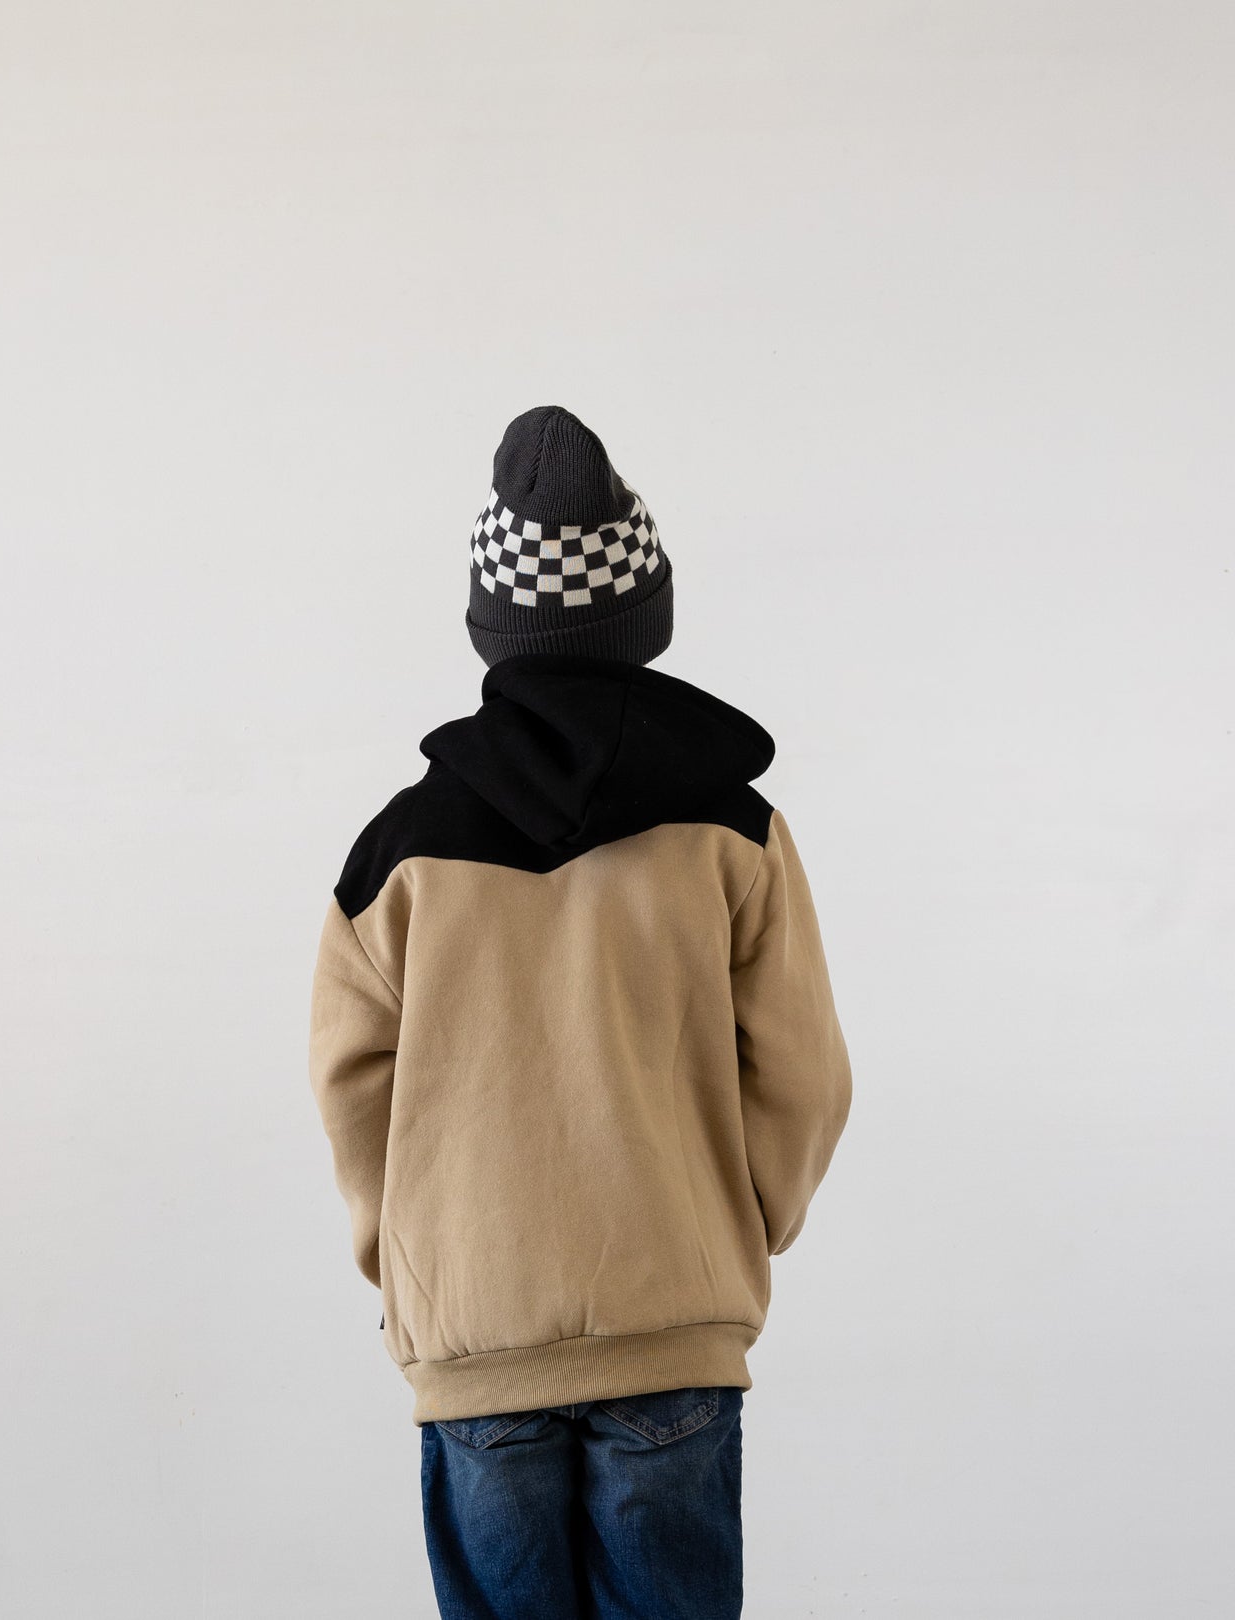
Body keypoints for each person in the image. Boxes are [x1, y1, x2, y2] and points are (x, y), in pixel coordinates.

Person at [308, 405, 854, 1619]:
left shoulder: (398, 855)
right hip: (677, 1314)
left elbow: (349, 1086)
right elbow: (806, 1072)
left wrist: (410, 1257)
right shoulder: (735, 832)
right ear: (645, 619)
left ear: (490, 627)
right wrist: (736, 1219)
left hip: (474, 1332)